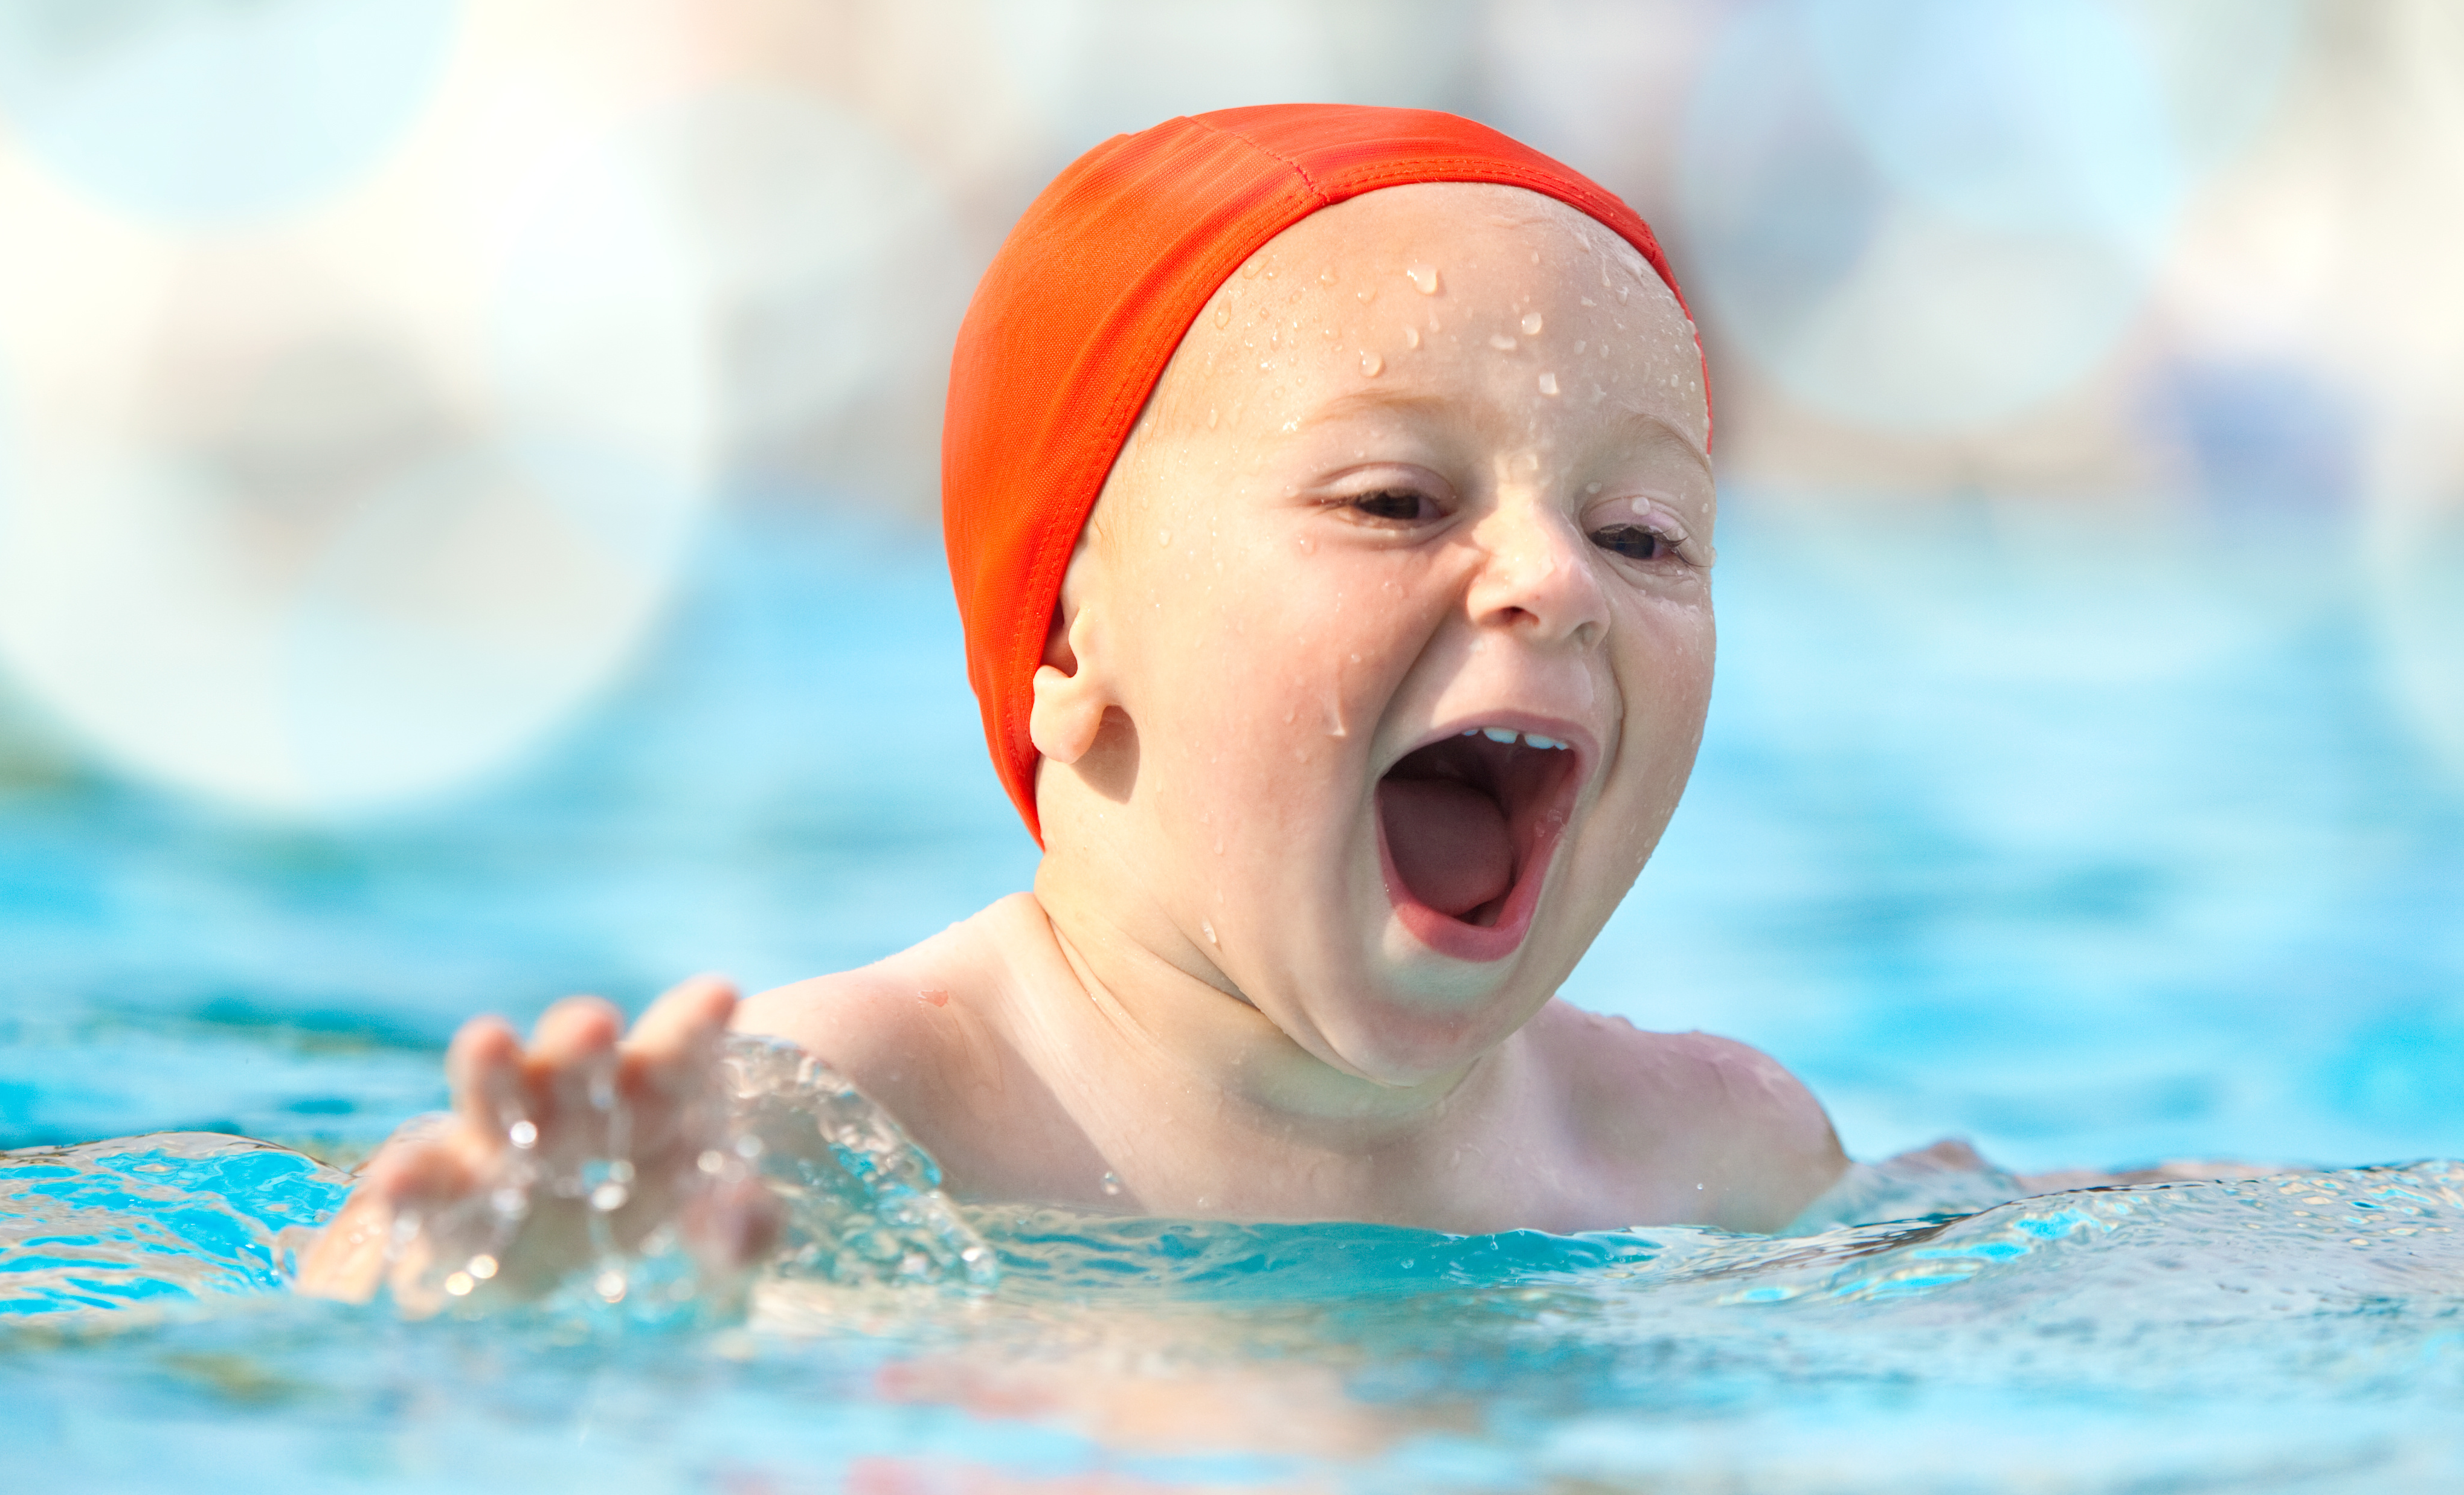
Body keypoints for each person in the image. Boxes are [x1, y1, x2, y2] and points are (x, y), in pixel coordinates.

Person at [292, 106, 1847, 1305]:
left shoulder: (1706, 1156)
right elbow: (342, 1332)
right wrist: (485, 1282)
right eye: (1394, 499)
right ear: (1064, 656)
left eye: (1640, 531)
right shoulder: (829, 1126)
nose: (1553, 580)